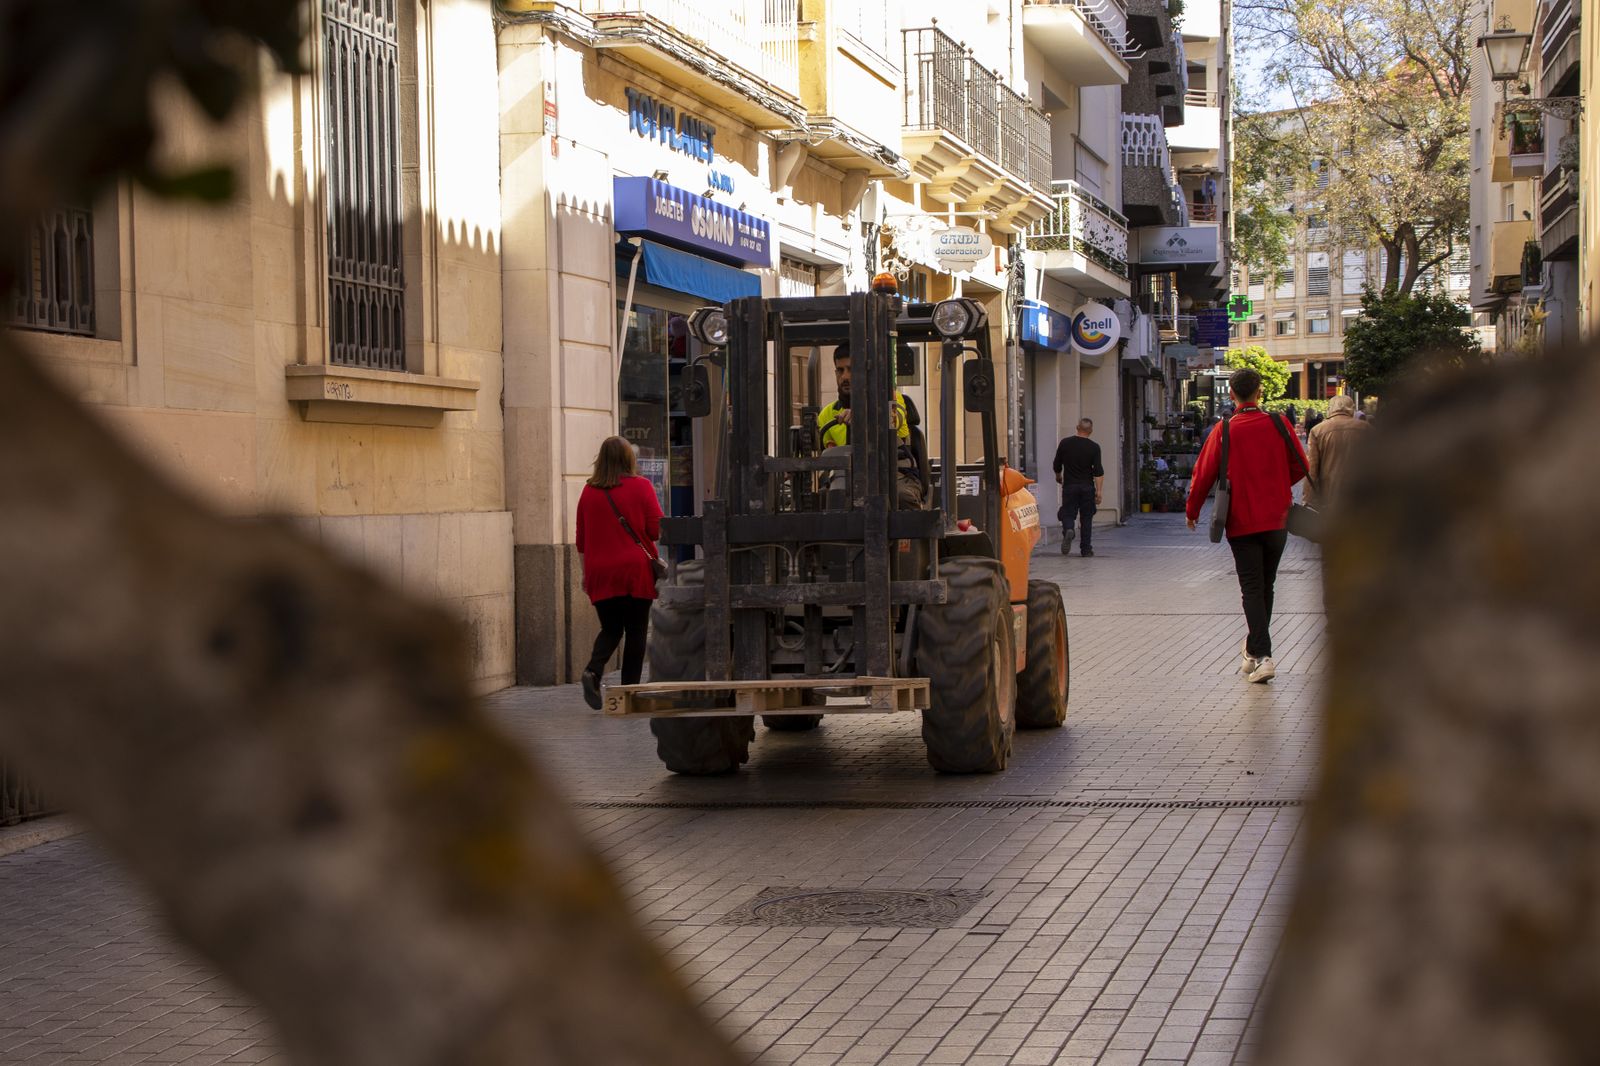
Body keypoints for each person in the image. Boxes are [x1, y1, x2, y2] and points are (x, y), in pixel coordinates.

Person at [1184, 368, 1309, 684]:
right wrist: (1278, 485)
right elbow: (1301, 465)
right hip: (1278, 519)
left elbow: (1203, 474)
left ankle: (1263, 656)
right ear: (1260, 391)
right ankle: (1254, 651)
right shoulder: (1279, 424)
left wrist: (1192, 510)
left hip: (1241, 522)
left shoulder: (1224, 430)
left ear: (1231, 394)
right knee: (1266, 586)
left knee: (1252, 588)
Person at [575, 436, 664, 710]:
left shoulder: (589, 492)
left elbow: (581, 540)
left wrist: (585, 575)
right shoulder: (642, 487)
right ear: (629, 459)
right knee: (636, 631)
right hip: (634, 570)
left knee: (611, 629)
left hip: (600, 571)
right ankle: (628, 693)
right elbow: (656, 530)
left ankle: (593, 671)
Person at [816, 341, 922, 508]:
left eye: (851, 369)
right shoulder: (827, 415)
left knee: (900, 497)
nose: (845, 377)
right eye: (840, 370)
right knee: (823, 501)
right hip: (848, 480)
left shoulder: (893, 399)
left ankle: (913, 534)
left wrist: (862, 414)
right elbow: (828, 458)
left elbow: (894, 420)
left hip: (895, 476)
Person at [1306, 393, 1370, 509]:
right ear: (1352, 408)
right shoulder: (1366, 428)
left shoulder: (1317, 430)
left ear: (1330, 408)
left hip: (1328, 495)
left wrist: (1308, 499)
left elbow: (1311, 468)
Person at [1052, 418, 1104, 557]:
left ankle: (1069, 529)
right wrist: (1099, 492)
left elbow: (1057, 463)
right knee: (1086, 518)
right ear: (1091, 431)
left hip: (1070, 486)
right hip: (1087, 487)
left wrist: (1058, 476)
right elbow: (1098, 471)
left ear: (1077, 427)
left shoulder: (1065, 443)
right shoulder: (1094, 447)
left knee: (1067, 513)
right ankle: (1086, 550)